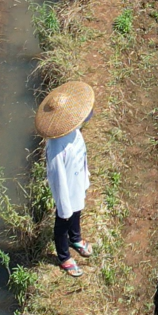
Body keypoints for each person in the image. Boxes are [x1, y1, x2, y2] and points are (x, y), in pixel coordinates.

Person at [38, 81, 95, 277]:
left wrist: (85, 177)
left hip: (77, 183)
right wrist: (62, 205)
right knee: (64, 219)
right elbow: (57, 180)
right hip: (66, 190)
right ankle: (64, 257)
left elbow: (82, 156)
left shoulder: (74, 131)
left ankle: (76, 238)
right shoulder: (55, 149)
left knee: (77, 210)